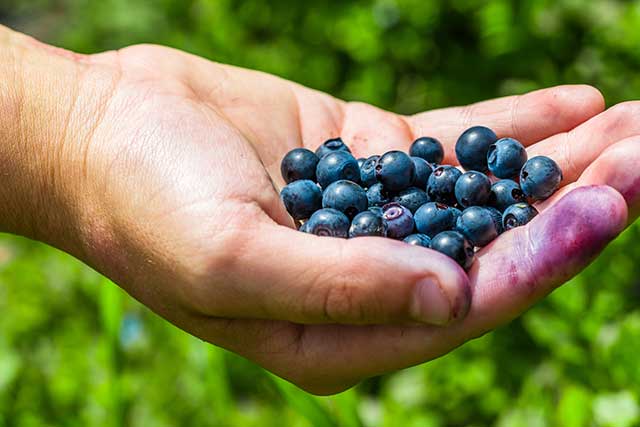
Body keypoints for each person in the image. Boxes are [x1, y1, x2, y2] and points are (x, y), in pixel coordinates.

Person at [0, 24, 638, 395]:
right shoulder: (354, 194)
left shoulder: (455, 188)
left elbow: (424, 192)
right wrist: (80, 132)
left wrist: (80, 123)